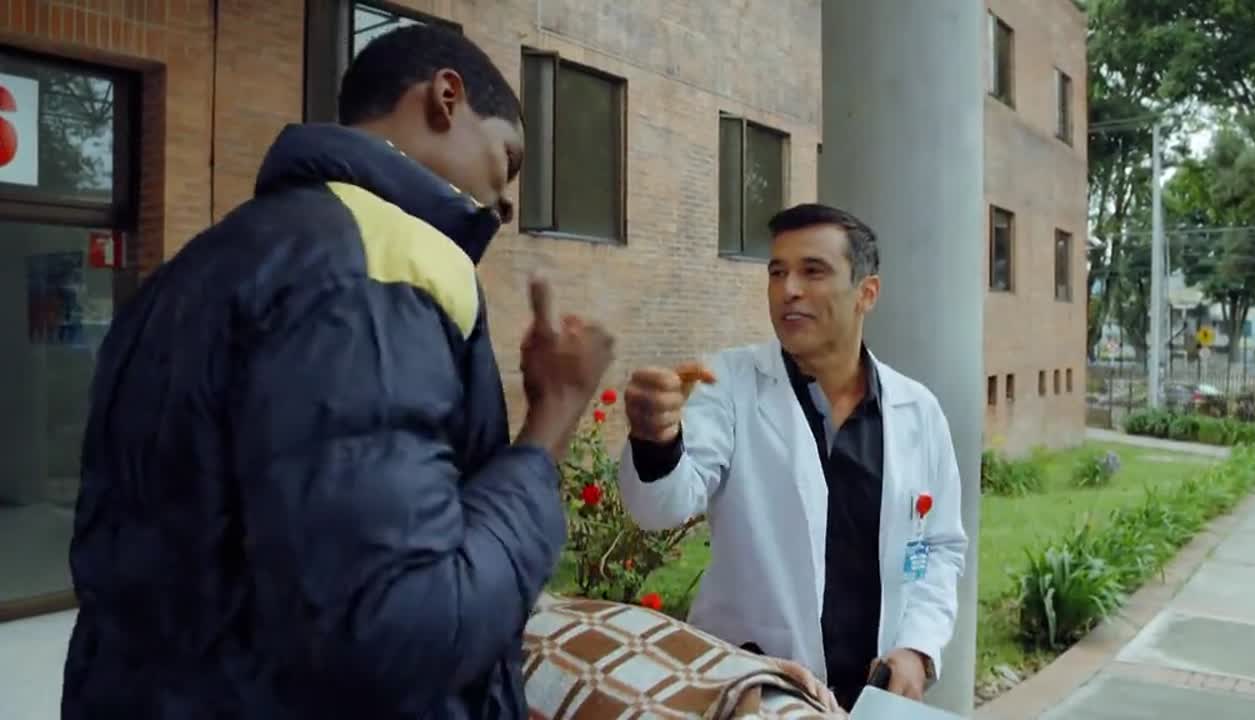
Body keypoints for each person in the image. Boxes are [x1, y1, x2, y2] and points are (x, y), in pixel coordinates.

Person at [62, 24, 614, 719]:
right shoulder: (387, 259)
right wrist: (555, 412)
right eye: (508, 159)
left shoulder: (187, 272)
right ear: (446, 98)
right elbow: (404, 632)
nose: (505, 205)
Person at [617, 203, 967, 710]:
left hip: (873, 696)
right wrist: (656, 440)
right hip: (755, 691)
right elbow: (660, 508)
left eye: (813, 271)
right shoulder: (728, 383)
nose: (789, 290)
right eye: (777, 272)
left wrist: (918, 648)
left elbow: (940, 548)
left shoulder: (919, 411)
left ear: (866, 293)